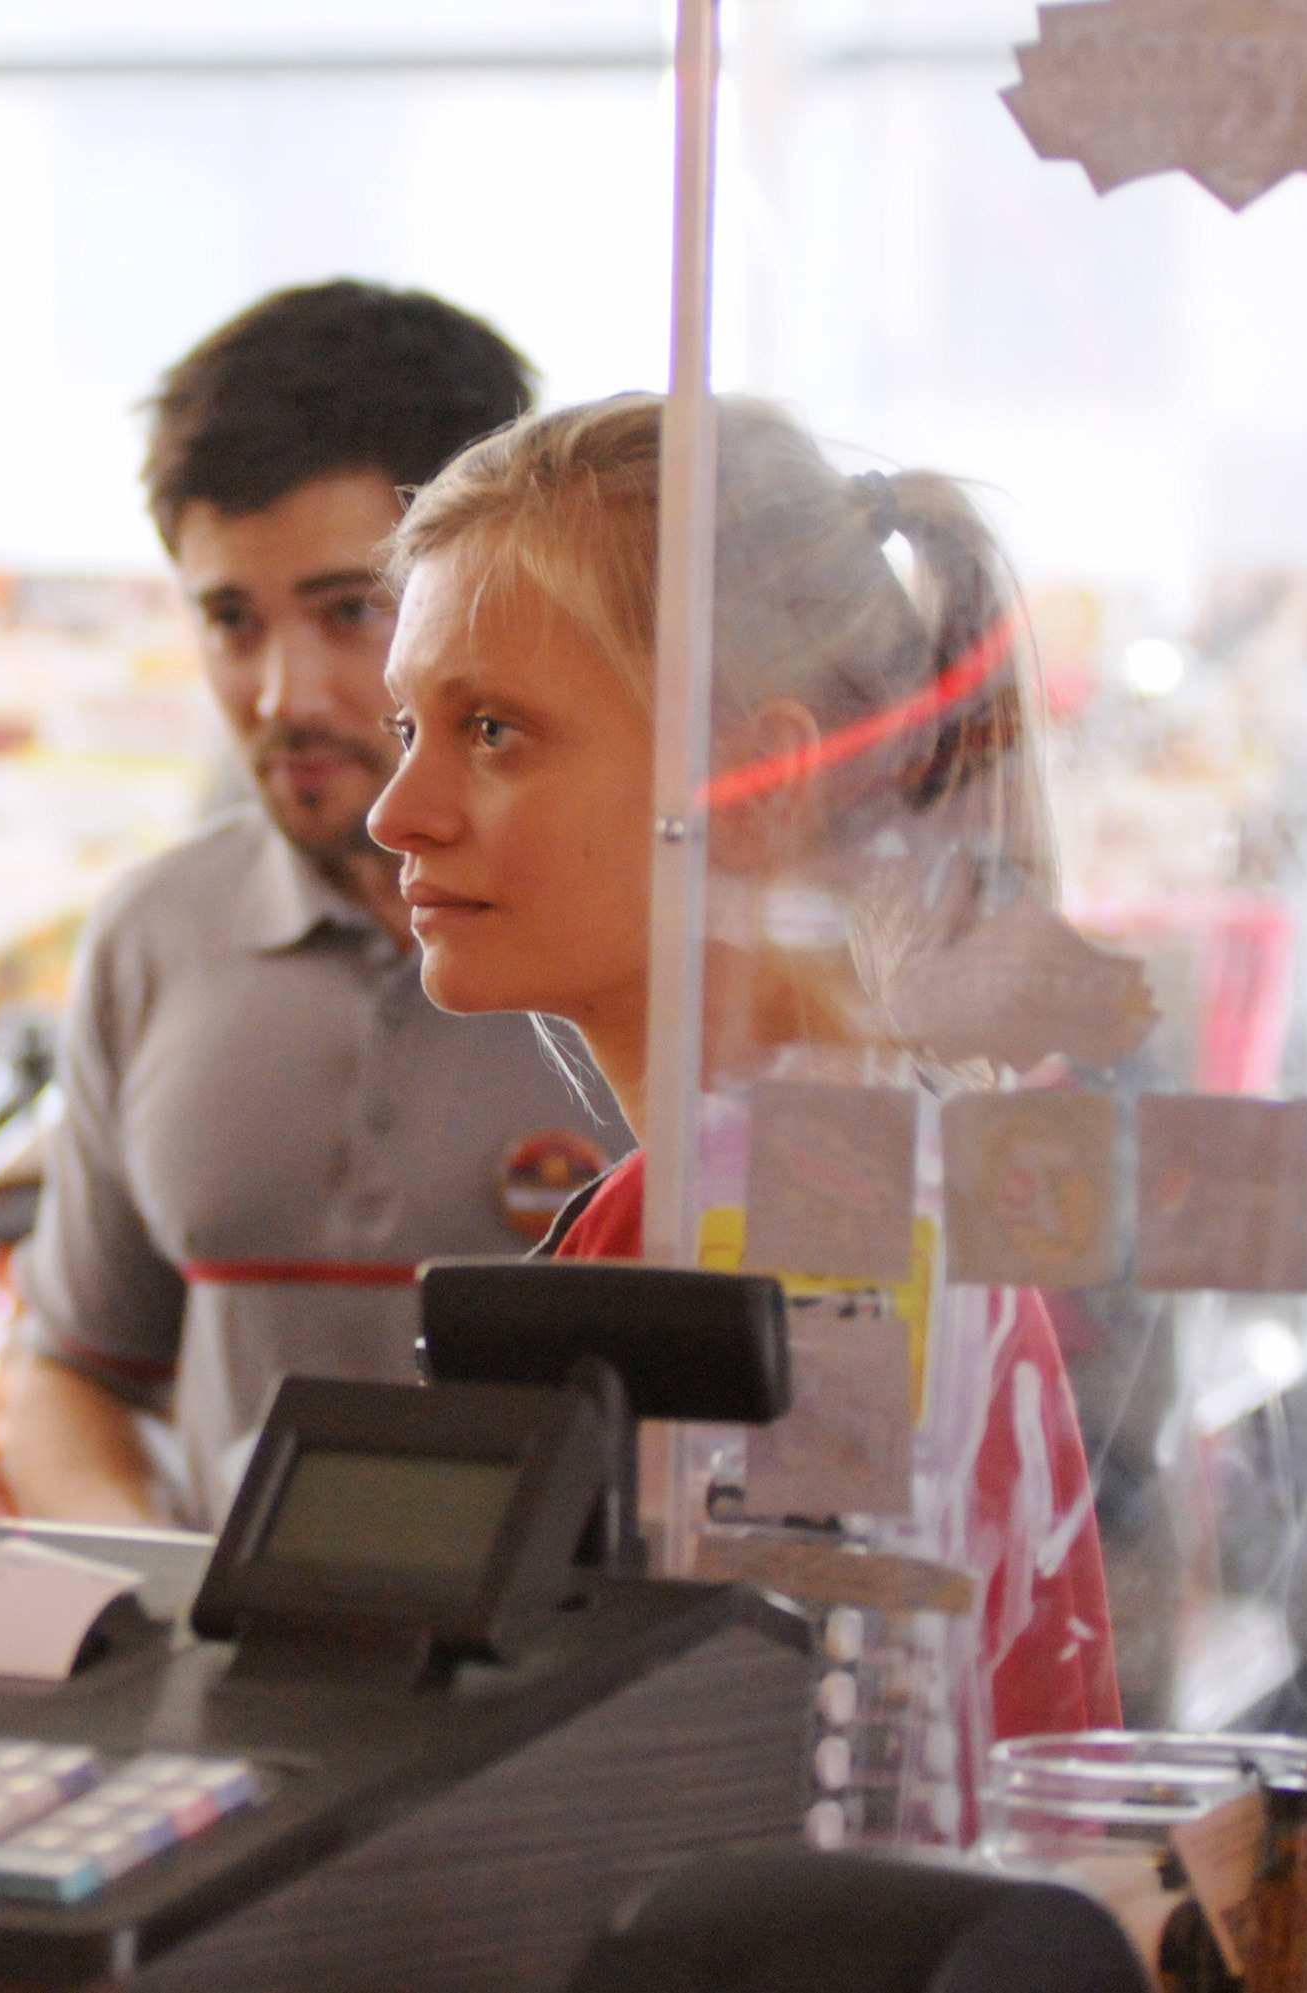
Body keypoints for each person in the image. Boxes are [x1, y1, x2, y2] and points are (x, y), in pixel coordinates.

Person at [367, 392, 1119, 1738]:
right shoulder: (870, 1165)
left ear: (760, 787)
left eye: (495, 731)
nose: (399, 812)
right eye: (410, 727)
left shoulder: (747, 1229)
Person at [2, 281, 629, 1530]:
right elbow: (74, 1373)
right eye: (230, 620)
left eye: (352, 611)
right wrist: (157, 1580)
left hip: (569, 1699)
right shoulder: (152, 936)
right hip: (229, 1695)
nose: (283, 692)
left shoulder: (628, 947)